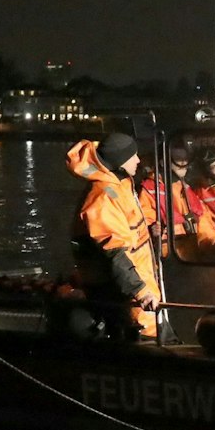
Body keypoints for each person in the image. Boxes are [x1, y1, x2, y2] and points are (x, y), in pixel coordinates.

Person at [66, 130, 160, 339]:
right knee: (139, 340)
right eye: (131, 155)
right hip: (124, 296)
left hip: (137, 287)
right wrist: (141, 291)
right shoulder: (103, 197)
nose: (137, 159)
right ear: (118, 161)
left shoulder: (118, 186)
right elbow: (114, 252)